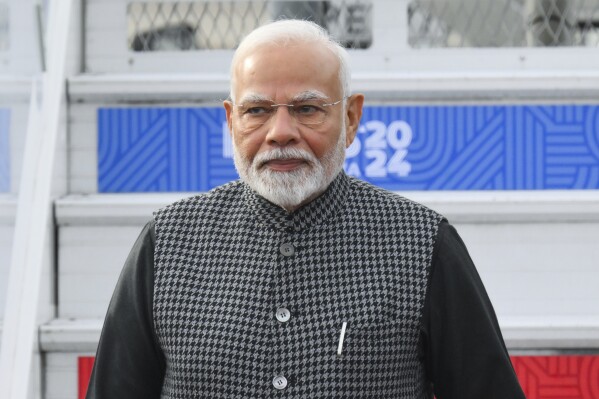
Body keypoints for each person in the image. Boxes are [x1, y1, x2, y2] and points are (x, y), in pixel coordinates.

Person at [87, 19, 526, 399]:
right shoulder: (168, 244)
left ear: (351, 119)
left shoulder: (422, 243)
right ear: (230, 120)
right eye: (256, 110)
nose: (280, 132)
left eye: (307, 109)